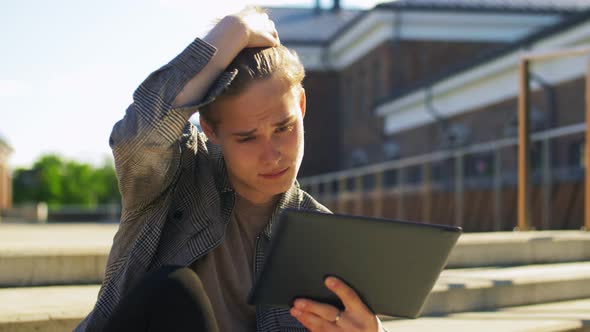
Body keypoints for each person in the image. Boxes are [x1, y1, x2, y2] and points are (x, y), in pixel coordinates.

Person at [76, 7, 386, 332]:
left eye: (283, 128)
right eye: (247, 138)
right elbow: (139, 135)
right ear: (210, 130)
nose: (272, 156)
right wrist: (232, 30)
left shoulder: (321, 234)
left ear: (303, 107)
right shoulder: (176, 174)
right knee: (172, 288)